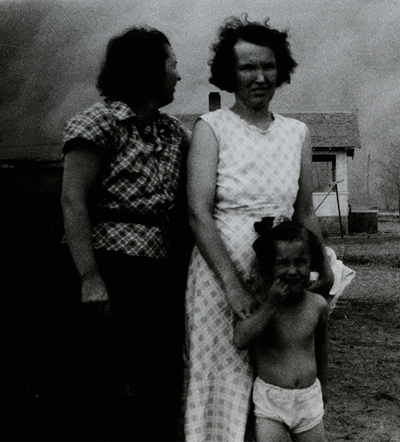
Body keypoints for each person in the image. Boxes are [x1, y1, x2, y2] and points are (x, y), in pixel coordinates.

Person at [182, 15, 334, 442]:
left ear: (280, 70)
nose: (259, 76)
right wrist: (231, 285)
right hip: (220, 277)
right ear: (230, 74)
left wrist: (321, 266)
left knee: (280, 380)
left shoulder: (297, 133)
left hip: (282, 272)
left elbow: (304, 211)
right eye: (247, 67)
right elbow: (198, 212)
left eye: (267, 66)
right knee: (222, 381)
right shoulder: (211, 128)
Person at [61, 26, 191, 441]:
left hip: (159, 275)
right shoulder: (99, 121)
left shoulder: (173, 132)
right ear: (148, 68)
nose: (179, 74)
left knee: (159, 386)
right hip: (109, 272)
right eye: (172, 63)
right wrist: (89, 279)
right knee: (101, 387)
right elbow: (72, 201)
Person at [234, 220, 328, 442]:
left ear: (312, 264)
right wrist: (270, 305)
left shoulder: (318, 305)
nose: (292, 271)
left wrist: (324, 384)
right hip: (271, 401)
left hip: (308, 398)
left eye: (301, 262)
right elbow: (240, 339)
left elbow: (321, 346)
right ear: (269, 266)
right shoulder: (260, 305)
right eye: (282, 263)